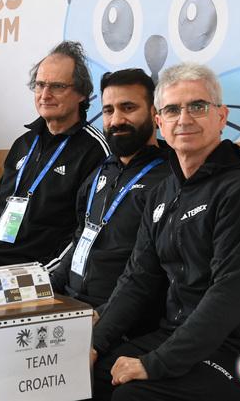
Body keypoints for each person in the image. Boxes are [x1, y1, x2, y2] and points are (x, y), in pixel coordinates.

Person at [90, 63, 240, 401]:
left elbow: (228, 295)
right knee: (89, 373)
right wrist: (94, 344)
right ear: (159, 122)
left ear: (221, 116)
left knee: (133, 396)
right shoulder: (161, 194)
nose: (184, 118)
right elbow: (137, 280)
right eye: (172, 110)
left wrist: (155, 364)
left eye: (197, 106)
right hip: (176, 334)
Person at [0, 41, 110, 267]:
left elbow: (85, 231)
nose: (45, 95)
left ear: (82, 93)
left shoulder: (95, 150)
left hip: (38, 276)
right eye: (40, 85)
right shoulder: (24, 143)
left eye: (57, 86)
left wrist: (44, 274)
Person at [49, 69, 170, 334]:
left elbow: (149, 277)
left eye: (128, 108)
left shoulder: (169, 178)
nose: (116, 120)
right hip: (70, 306)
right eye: (108, 110)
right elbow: (80, 238)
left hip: (120, 322)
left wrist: (103, 319)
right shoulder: (100, 172)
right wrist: (45, 290)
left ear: (154, 112)